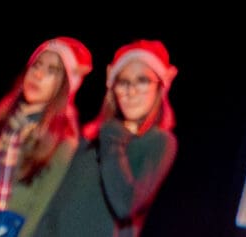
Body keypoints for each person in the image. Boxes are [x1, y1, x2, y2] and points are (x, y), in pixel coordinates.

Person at [34, 42, 177, 237]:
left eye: (142, 80)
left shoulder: (158, 141)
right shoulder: (92, 140)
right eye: (123, 81)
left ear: (159, 86)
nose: (131, 91)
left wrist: (113, 135)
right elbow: (56, 205)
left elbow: (124, 204)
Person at [0, 39, 91, 226]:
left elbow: (40, 211)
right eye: (36, 66)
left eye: (52, 71)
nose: (38, 75)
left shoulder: (60, 145)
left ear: (65, 85)